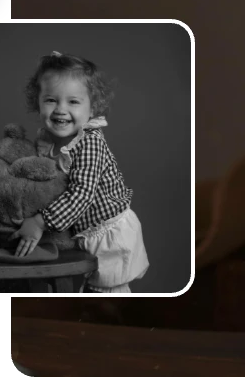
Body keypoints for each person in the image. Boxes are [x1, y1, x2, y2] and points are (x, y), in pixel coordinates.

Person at [13, 51, 149, 293]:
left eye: (73, 102)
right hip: (78, 229)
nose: (60, 110)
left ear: (93, 107)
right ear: (37, 101)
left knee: (106, 291)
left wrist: (39, 221)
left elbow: (81, 193)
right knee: (77, 289)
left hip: (106, 233)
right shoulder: (46, 140)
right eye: (51, 100)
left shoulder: (89, 143)